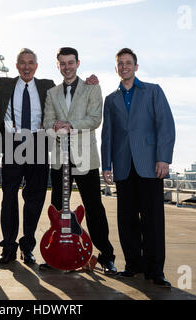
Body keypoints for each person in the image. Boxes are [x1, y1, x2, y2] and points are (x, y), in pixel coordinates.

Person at [101, 48, 175, 287]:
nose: (124, 67)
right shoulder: (111, 99)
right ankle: (133, 264)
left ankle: (155, 270)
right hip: (123, 166)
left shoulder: (153, 91)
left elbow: (165, 126)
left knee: (152, 220)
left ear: (136, 66)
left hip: (150, 165)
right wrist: (106, 165)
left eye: (128, 63)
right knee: (127, 219)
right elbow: (108, 135)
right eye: (120, 64)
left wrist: (163, 158)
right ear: (116, 68)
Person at [43, 47, 117, 274]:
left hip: (86, 158)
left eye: (71, 62)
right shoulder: (51, 93)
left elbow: (95, 119)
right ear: (58, 65)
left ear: (78, 63)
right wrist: (55, 127)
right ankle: (55, 254)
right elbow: (47, 123)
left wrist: (69, 125)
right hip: (59, 159)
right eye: (62, 63)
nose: (67, 67)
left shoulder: (92, 87)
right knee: (57, 209)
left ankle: (106, 256)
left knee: (94, 208)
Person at [0, 48, 55, 265]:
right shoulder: (3, 84)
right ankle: (8, 247)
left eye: (31, 62)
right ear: (16, 65)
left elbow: (69, 94)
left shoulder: (48, 85)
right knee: (8, 196)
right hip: (13, 142)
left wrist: (89, 83)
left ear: (36, 66)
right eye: (22, 63)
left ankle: (27, 246)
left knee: (35, 198)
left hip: (38, 143)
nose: (26, 66)